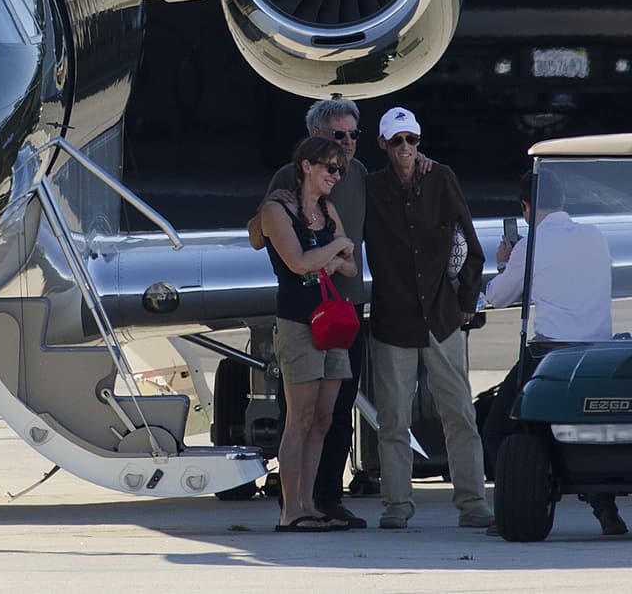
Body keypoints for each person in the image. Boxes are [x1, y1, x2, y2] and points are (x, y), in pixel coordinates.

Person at [364, 106, 494, 530]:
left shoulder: (442, 179)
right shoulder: (370, 189)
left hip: (441, 319)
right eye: (397, 140)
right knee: (392, 420)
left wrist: (467, 305)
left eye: (412, 140)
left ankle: (473, 503)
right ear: (383, 144)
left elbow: (470, 245)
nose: (406, 148)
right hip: (392, 321)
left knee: (459, 413)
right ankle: (397, 505)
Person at [481, 170, 626, 536]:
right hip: (595, 353)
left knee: (497, 430)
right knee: (589, 432)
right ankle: (606, 510)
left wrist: (505, 261)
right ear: (562, 202)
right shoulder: (596, 237)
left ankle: (514, 503)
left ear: (526, 208)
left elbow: (499, 296)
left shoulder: (530, 245)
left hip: (550, 354)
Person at [248, 98, 370, 528]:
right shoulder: (281, 196)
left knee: (328, 415)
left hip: (340, 315)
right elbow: (289, 255)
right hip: (301, 319)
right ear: (309, 160)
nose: (340, 169)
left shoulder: (337, 199)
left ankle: (319, 502)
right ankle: (291, 507)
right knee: (298, 416)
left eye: (353, 137)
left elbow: (351, 264)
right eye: (333, 157)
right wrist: (334, 249)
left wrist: (331, 255)